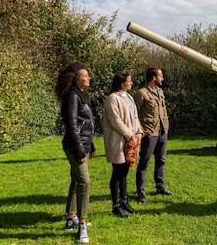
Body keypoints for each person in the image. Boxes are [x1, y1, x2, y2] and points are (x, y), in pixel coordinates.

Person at [55, 61, 95, 243]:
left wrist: (91, 146)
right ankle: (82, 225)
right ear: (75, 79)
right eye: (85, 76)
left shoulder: (82, 94)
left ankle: (71, 218)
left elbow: (86, 123)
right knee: (84, 182)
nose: (88, 78)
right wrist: (80, 149)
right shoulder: (72, 96)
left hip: (84, 144)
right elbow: (71, 125)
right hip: (74, 145)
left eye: (87, 75)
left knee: (76, 179)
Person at [103, 71, 144, 218]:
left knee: (125, 173)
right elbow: (115, 121)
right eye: (129, 81)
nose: (131, 83)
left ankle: (124, 201)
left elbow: (135, 117)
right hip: (119, 141)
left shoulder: (129, 97)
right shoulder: (113, 98)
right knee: (117, 173)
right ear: (121, 83)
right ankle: (116, 205)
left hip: (131, 142)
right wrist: (130, 135)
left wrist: (139, 132)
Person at [134, 66, 173, 203]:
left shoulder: (160, 91)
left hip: (162, 131)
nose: (162, 78)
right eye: (160, 76)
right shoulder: (141, 94)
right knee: (144, 162)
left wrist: (166, 127)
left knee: (161, 160)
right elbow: (134, 114)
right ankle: (141, 192)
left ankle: (160, 186)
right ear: (154, 77)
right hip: (149, 133)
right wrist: (140, 130)